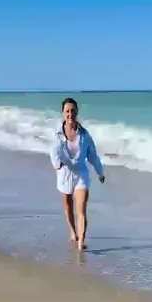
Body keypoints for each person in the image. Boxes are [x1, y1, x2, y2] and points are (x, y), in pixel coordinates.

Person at [50, 97, 105, 251]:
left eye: (73, 111)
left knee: (81, 209)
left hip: (81, 173)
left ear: (77, 112)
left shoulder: (84, 135)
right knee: (68, 206)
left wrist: (100, 172)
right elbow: (53, 152)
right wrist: (57, 164)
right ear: (63, 113)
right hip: (64, 173)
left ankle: (81, 244)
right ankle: (73, 231)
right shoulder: (58, 134)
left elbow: (92, 156)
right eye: (67, 111)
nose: (70, 114)